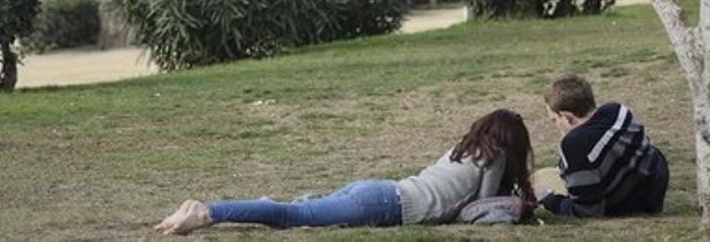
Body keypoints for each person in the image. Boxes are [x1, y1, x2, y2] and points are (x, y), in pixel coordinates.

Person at [154, 109, 535, 235]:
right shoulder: (493, 157)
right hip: (387, 205)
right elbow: (482, 210)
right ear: (511, 142)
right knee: (293, 217)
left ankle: (252, 206)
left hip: (381, 190)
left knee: (298, 211)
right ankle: (207, 213)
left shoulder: (462, 150)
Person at [539, 74, 669, 218]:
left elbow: (587, 211)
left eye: (554, 120)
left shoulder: (575, 145)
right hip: (654, 184)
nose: (556, 126)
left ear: (567, 117)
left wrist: (551, 201)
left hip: (630, 205)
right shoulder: (617, 110)